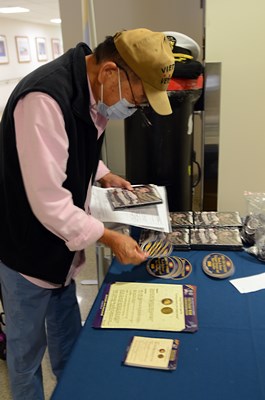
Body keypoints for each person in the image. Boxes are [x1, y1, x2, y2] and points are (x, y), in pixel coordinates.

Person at [0, 28, 175, 399]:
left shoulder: (92, 89)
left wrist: (102, 173)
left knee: (69, 344)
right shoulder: (44, 100)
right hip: (26, 255)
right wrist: (110, 237)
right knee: (26, 356)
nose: (134, 108)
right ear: (111, 71)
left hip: (61, 251)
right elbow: (50, 203)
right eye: (138, 99)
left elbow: (70, 147)